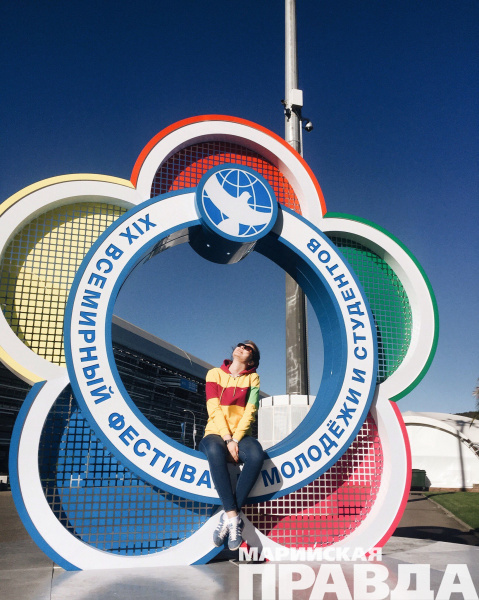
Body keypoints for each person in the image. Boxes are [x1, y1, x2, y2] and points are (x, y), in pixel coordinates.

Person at [199, 341, 264, 551]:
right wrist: (227, 439)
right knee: (214, 451)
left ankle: (228, 517)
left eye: (248, 348)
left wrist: (236, 439)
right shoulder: (214, 374)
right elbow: (213, 408)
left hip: (242, 435)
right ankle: (234, 517)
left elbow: (250, 411)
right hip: (216, 432)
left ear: (252, 360)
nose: (242, 348)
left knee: (256, 455)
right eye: (240, 345)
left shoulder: (253, 378)